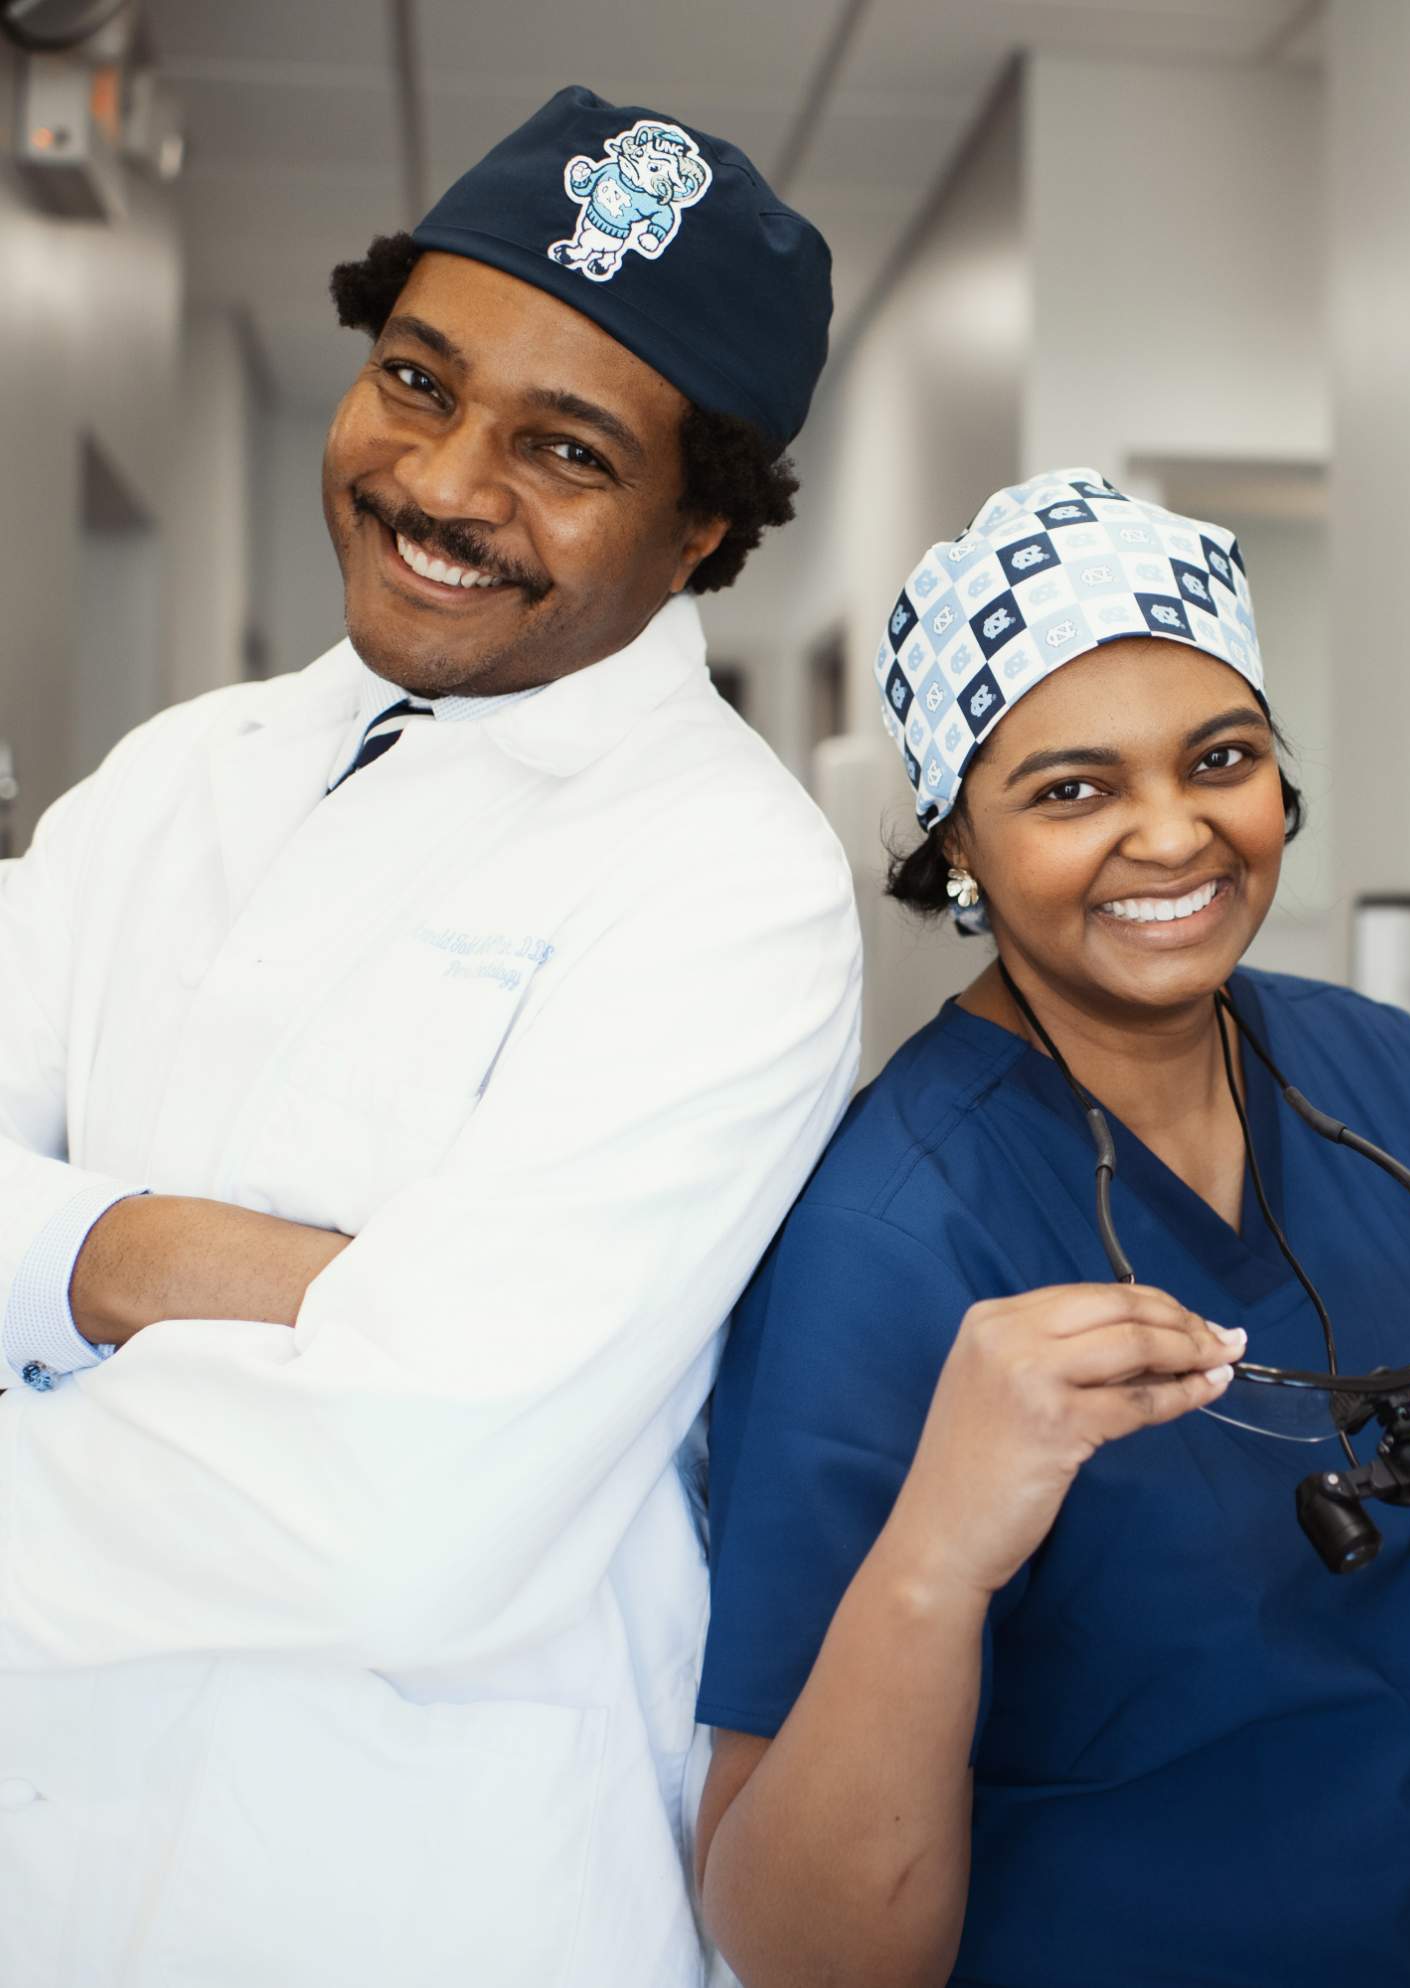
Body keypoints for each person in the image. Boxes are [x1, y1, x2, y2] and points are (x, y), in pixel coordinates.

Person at [0, 87, 859, 1988]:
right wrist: (143, 1260)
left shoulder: (729, 882)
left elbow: (406, 1505)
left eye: (563, 448)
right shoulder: (174, 775)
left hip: (417, 1887)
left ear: (704, 525)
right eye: (415, 380)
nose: (446, 484)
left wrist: (44, 1285)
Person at [692, 470, 1410, 1988]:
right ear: (952, 847)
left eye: (1221, 759)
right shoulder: (884, 1234)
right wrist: (937, 1547)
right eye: (1070, 790)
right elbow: (795, 1946)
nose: (1171, 834)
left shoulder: (1376, 1075)